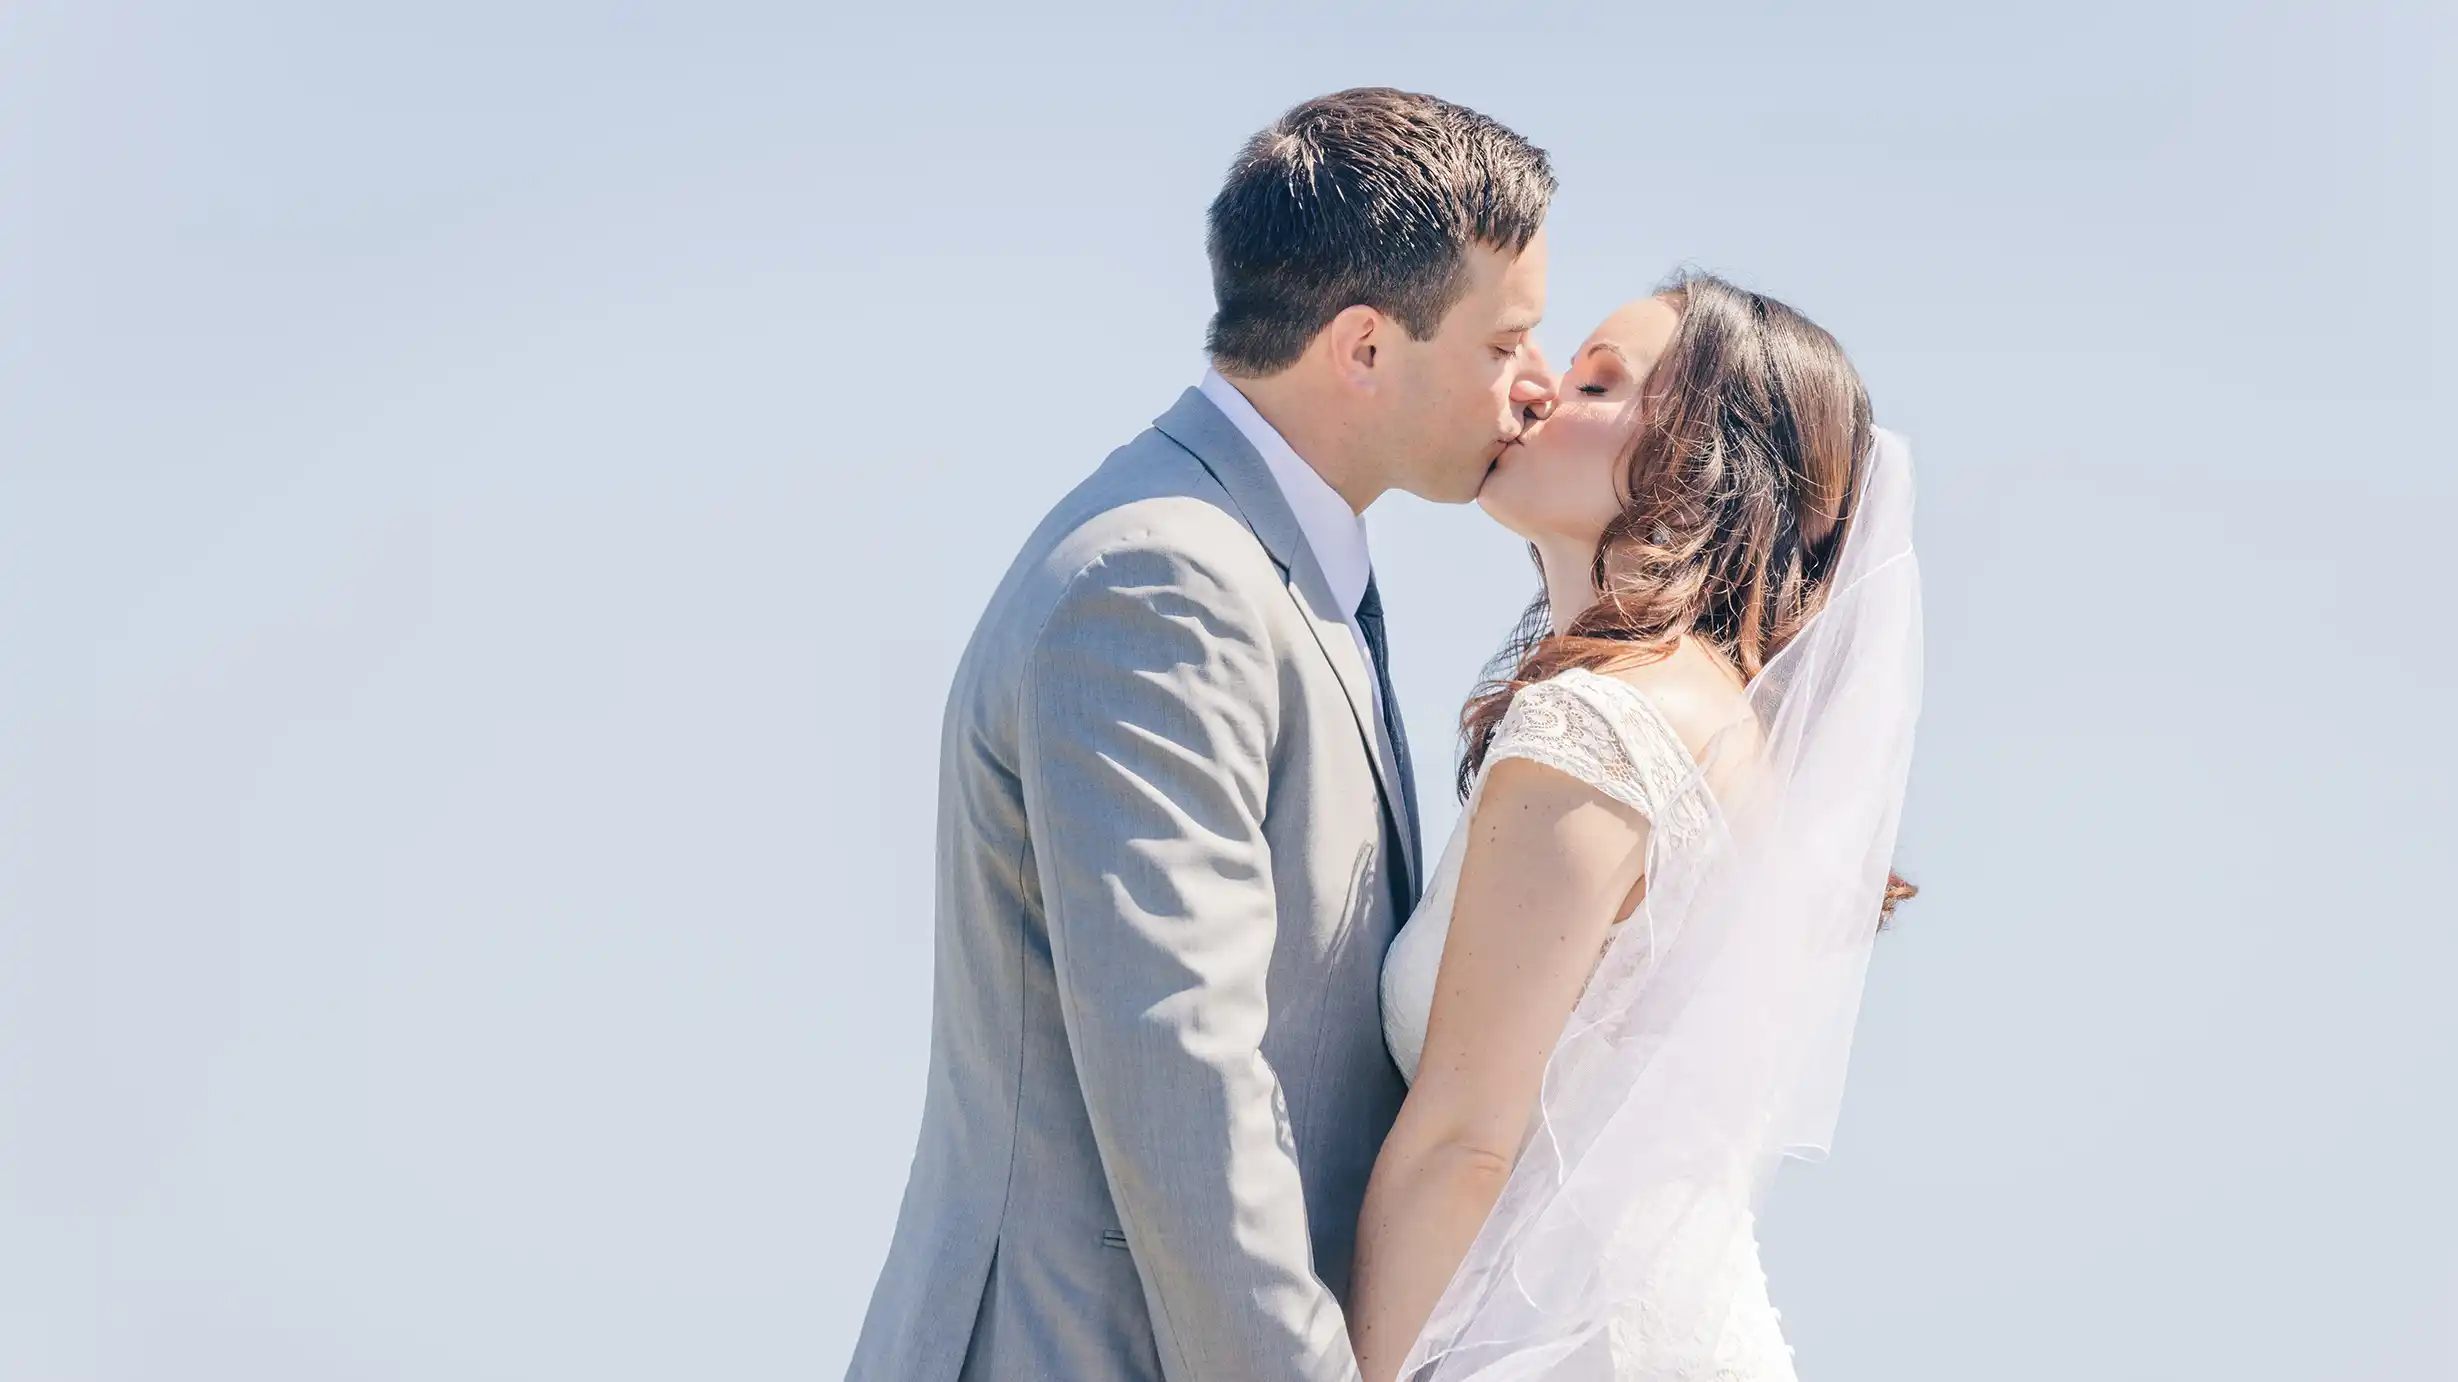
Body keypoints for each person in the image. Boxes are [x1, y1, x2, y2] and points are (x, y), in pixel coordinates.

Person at [846, 87, 1560, 1382]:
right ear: (1361, 348)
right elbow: (1187, 1083)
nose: (1539, 382)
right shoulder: (1162, 582)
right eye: (1505, 340)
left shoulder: (1284, 562)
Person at [1351, 275, 1924, 1381]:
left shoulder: (1600, 722)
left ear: (1707, 462)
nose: (1532, 396)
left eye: (1598, 383)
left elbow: (1462, 1144)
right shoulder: (1723, 730)